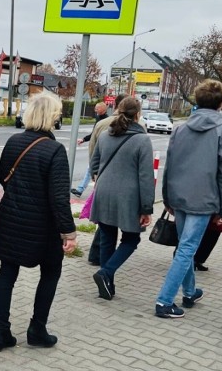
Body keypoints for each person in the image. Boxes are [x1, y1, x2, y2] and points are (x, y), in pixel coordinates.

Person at [0, 93, 77, 351]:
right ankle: (37, 328)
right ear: (52, 116)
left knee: (7, 271)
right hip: (43, 225)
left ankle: (2, 331)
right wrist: (69, 232)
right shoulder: (54, 150)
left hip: (10, 217)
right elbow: (59, 197)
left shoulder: (13, 142)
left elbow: (2, 177)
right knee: (51, 271)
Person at [155, 79, 222, 318]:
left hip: (178, 196)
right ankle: (164, 301)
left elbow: (170, 166)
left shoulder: (180, 129)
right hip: (204, 198)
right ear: (221, 103)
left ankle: (189, 292)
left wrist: (167, 196)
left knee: (184, 247)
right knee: (186, 249)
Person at [90, 97, 154, 301]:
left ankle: (107, 282)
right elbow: (145, 176)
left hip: (104, 191)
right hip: (128, 197)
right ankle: (106, 273)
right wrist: (146, 208)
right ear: (138, 115)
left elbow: (94, 164)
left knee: (107, 237)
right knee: (131, 239)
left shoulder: (106, 135)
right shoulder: (142, 139)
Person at [85, 94, 129, 266]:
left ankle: (97, 256)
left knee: (105, 223)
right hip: (126, 185)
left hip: (103, 179)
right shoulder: (138, 128)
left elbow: (92, 151)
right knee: (129, 234)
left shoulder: (102, 125)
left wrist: (95, 175)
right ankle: (107, 268)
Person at [71, 102, 108, 197]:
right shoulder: (98, 118)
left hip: (102, 149)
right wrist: (84, 139)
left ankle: (93, 192)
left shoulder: (106, 121)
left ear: (103, 109)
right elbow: (93, 134)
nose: (95, 110)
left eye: (97, 109)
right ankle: (81, 190)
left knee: (94, 169)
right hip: (97, 148)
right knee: (91, 169)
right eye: (95, 108)